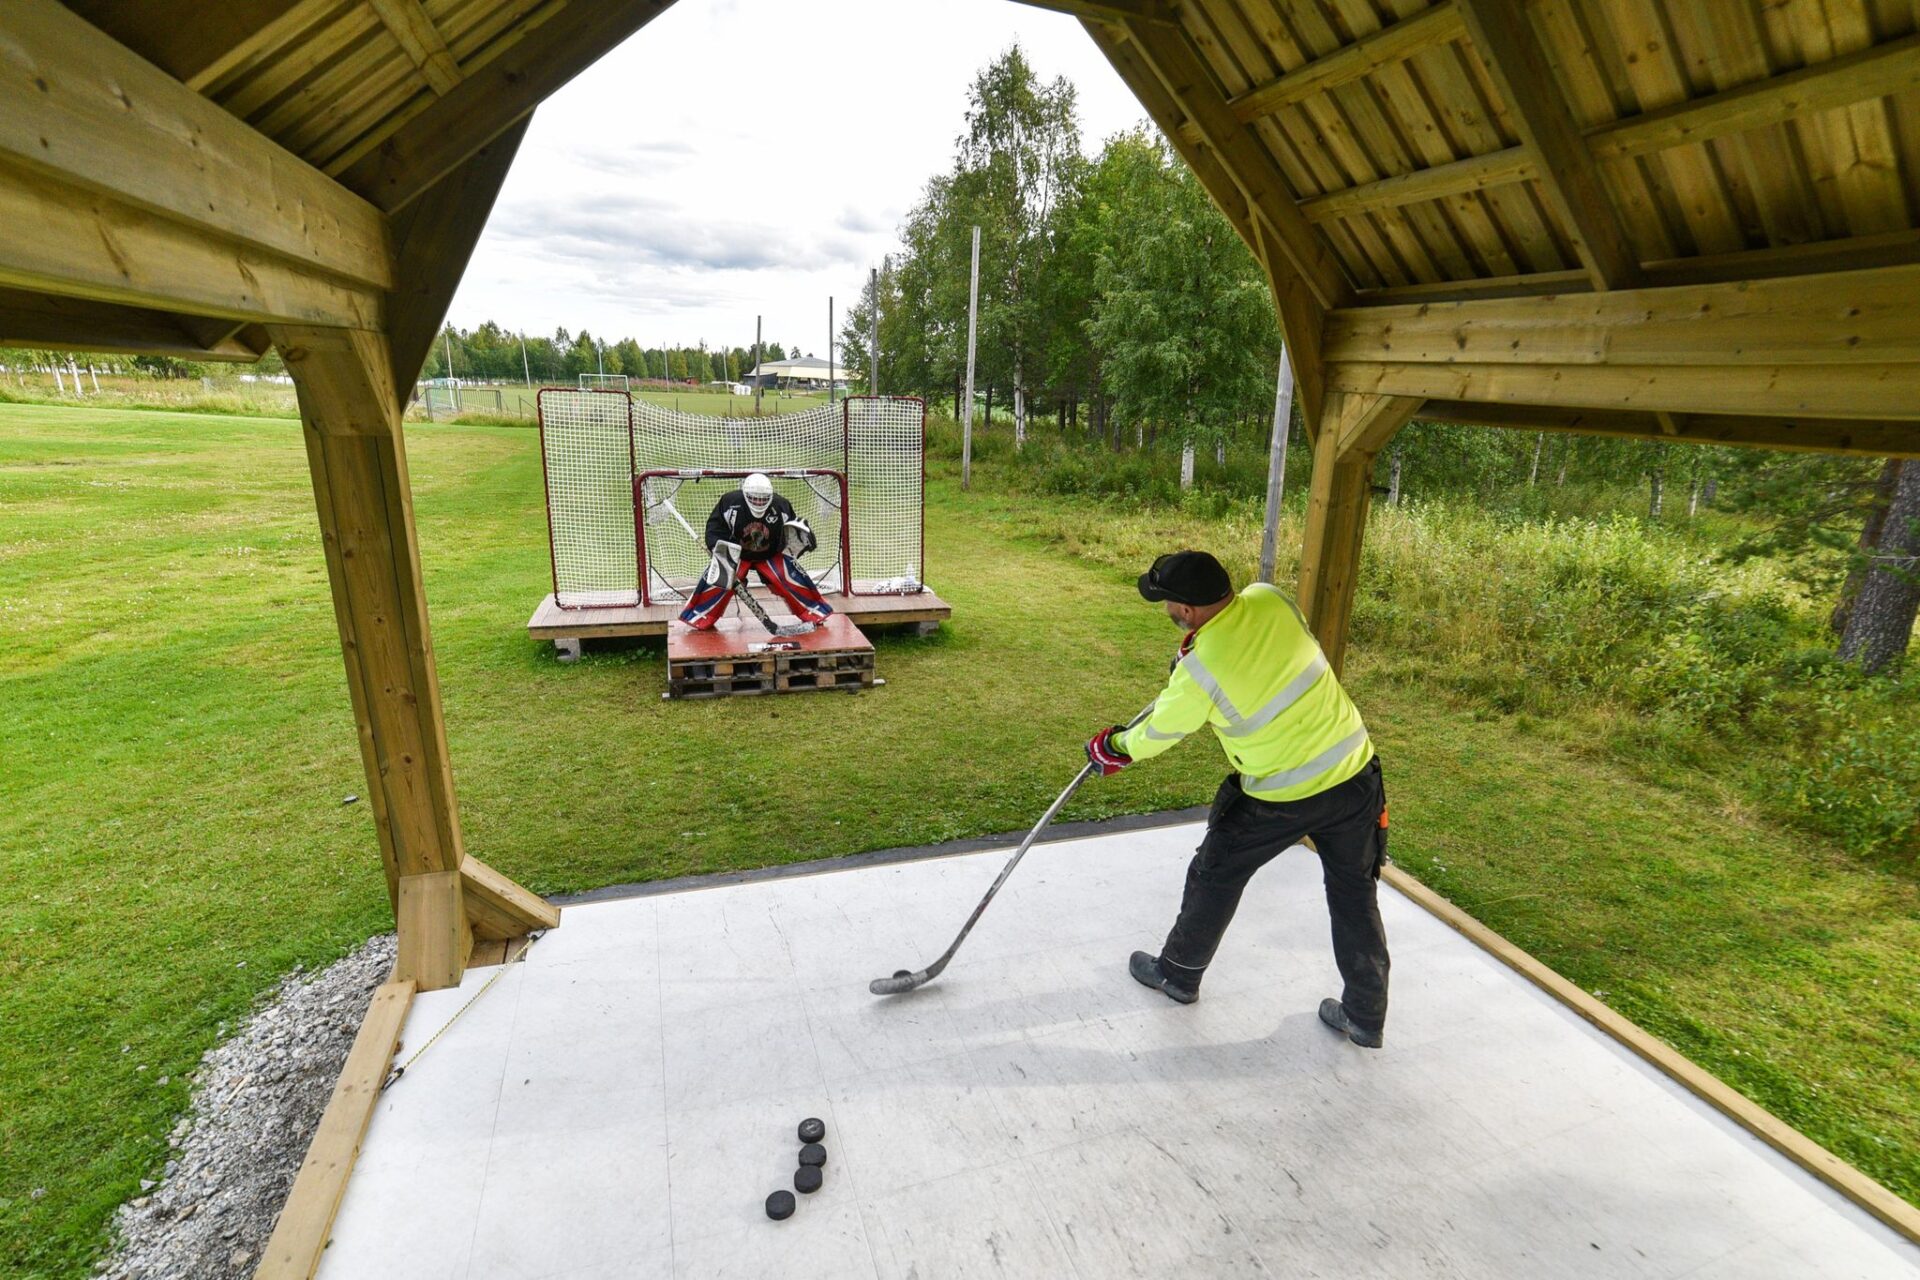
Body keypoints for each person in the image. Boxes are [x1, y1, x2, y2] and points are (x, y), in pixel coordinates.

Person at [1085, 550, 1392, 1048]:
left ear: (1185, 609)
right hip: (1355, 775)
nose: (1165, 610)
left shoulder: (1200, 668)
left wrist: (1114, 747)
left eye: (1165, 602)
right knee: (1355, 894)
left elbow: (1159, 732)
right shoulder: (1270, 599)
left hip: (1280, 795)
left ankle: (1178, 975)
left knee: (1215, 872)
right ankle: (1365, 1017)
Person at [678, 473, 834, 630]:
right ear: (745, 495)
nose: (759, 502)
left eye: (763, 498)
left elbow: (791, 531)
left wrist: (801, 537)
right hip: (737, 554)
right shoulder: (730, 503)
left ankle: (814, 612)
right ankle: (700, 616)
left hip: (770, 554)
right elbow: (715, 528)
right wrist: (716, 548)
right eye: (754, 498)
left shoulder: (780, 506)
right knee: (718, 578)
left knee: (790, 575)